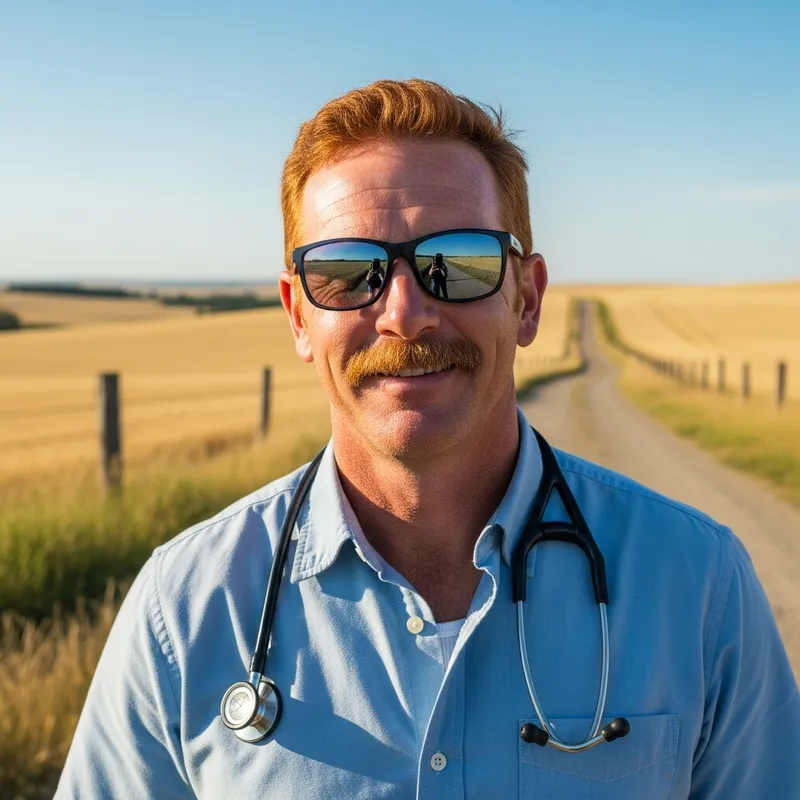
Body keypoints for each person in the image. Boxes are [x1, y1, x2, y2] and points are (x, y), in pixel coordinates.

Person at [56, 79, 800, 799]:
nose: (405, 314)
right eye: (350, 273)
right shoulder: (185, 611)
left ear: (528, 299)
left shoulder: (699, 586)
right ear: (297, 316)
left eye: (460, 264)